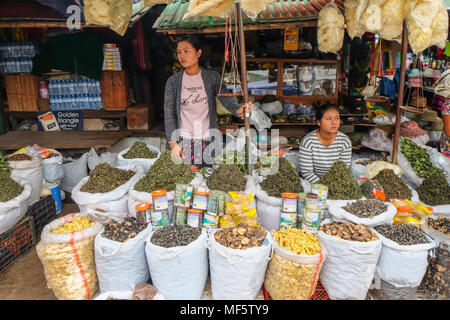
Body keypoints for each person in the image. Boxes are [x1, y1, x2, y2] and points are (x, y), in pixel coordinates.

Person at [164, 35, 253, 166]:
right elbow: (169, 112)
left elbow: (226, 98)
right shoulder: (173, 81)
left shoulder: (212, 77)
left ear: (198, 53)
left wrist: (237, 109)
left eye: (186, 51)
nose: (182, 56)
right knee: (185, 180)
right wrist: (173, 144)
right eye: (179, 52)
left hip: (207, 141)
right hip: (182, 141)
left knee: (205, 179)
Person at [299, 103, 352, 184]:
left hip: (336, 183)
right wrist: (323, 186)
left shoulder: (344, 141)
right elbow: (307, 172)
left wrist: (334, 186)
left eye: (337, 118)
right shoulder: (308, 142)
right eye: (328, 119)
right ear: (319, 122)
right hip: (312, 183)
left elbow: (344, 170)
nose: (334, 122)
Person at [433, 70, 450, 158]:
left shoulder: (446, 72)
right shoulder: (449, 104)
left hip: (440, 95)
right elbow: (448, 132)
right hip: (447, 149)